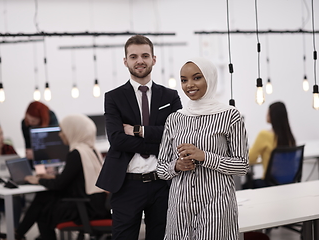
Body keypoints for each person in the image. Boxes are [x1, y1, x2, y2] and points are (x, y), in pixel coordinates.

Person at [96, 35, 182, 240]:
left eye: (145, 55)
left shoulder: (170, 96)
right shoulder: (113, 97)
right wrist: (158, 142)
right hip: (126, 184)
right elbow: (117, 140)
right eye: (133, 56)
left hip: (162, 182)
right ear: (125, 61)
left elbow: (177, 133)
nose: (139, 61)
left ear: (154, 58)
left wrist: (138, 130)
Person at [156, 58, 249, 240]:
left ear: (210, 78)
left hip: (216, 206)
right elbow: (160, 169)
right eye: (184, 80)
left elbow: (242, 166)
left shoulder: (230, 116)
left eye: (197, 78)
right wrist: (176, 166)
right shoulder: (174, 119)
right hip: (180, 208)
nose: (189, 85)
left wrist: (205, 156)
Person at [15, 114, 111, 240]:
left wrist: (38, 180)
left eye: (63, 131)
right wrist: (50, 178)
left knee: (44, 212)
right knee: (43, 197)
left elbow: (60, 185)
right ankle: (19, 233)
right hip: (97, 204)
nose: (60, 134)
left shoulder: (76, 153)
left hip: (85, 208)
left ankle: (18, 233)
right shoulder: (91, 149)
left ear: (72, 131)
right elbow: (72, 178)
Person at [247, 101, 296, 188]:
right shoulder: (290, 137)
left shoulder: (264, 135)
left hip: (270, 184)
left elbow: (250, 159)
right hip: (289, 184)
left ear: (272, 115)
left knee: (245, 185)